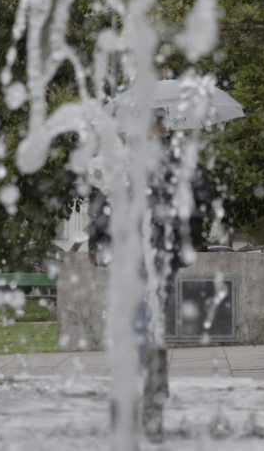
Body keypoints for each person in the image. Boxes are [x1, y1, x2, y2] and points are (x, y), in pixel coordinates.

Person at [87, 108, 214, 439]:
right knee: (147, 314)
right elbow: (203, 198)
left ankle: (142, 388)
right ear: (165, 125)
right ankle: (151, 386)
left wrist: (96, 241)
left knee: (138, 317)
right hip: (161, 252)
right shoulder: (179, 157)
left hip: (137, 249)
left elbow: (104, 200)